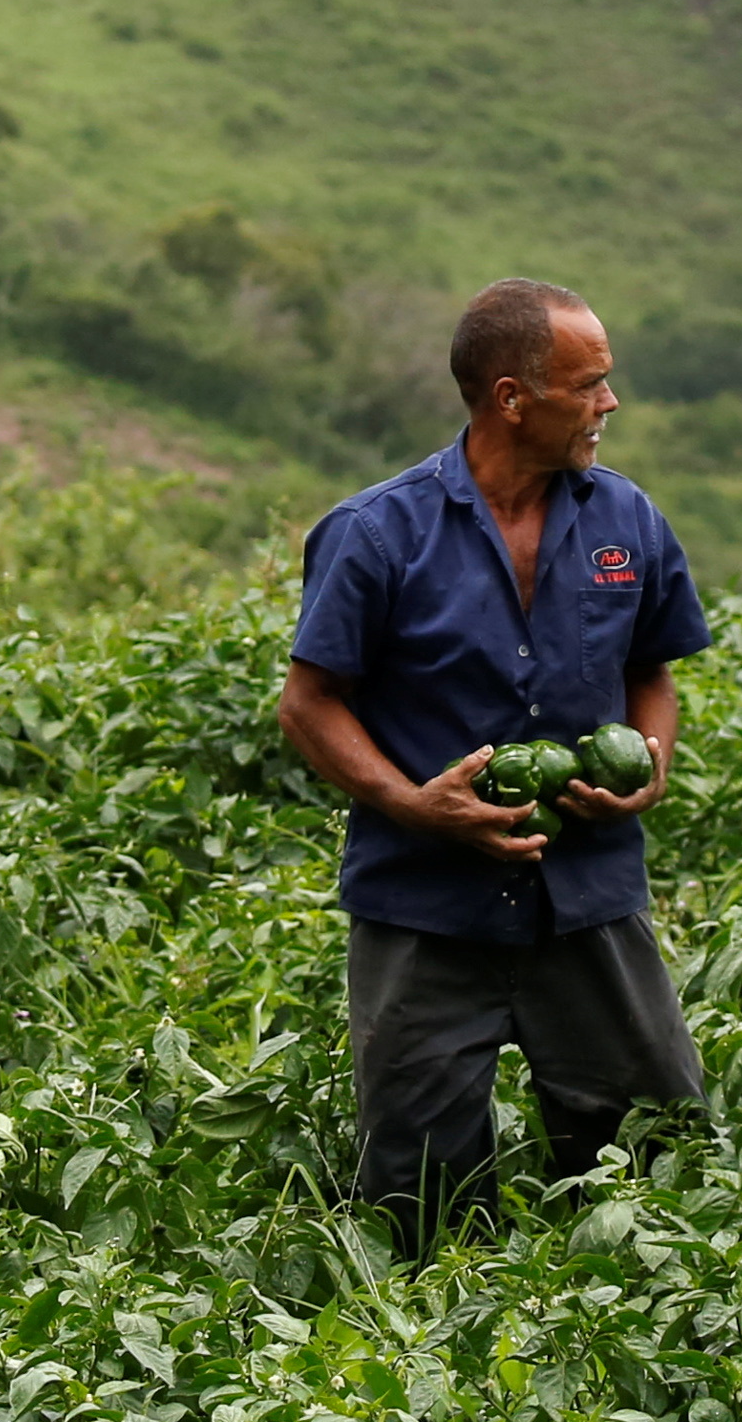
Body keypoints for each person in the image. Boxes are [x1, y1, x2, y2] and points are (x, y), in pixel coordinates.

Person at [278, 279, 709, 1254]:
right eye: (589, 384)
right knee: (416, 1201)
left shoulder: (627, 521)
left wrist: (652, 764)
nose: (609, 405)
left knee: (658, 1166)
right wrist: (411, 803)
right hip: (426, 911)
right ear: (513, 397)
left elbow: (652, 674)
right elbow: (307, 705)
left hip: (587, 899)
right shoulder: (380, 532)